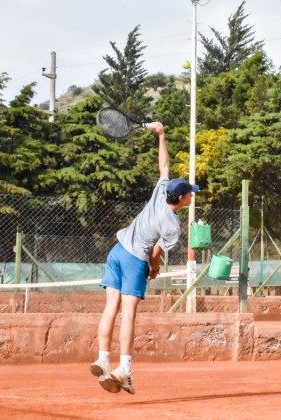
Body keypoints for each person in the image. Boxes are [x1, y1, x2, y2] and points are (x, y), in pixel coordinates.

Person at [89, 122, 199, 395]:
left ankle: (103, 358)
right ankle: (124, 369)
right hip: (135, 259)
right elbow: (157, 250)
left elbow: (164, 167)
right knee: (128, 315)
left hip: (116, 251)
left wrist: (161, 135)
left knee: (110, 308)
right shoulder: (171, 223)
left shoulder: (161, 191)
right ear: (183, 198)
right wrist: (153, 267)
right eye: (190, 194)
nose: (191, 197)